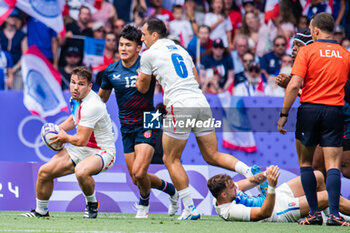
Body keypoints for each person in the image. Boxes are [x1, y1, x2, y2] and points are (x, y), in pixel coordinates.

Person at [136, 18, 255, 220]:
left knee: (170, 158)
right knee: (212, 154)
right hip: (200, 102)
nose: (142, 38)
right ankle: (249, 171)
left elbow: (142, 88)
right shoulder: (182, 51)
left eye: (144, 34)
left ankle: (190, 208)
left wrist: (141, 76)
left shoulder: (148, 55)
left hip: (179, 105)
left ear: (154, 35)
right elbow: (197, 80)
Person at [98, 25, 178, 218]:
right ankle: (171, 191)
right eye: (121, 45)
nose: (123, 48)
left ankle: (143, 204)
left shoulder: (148, 65)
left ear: (138, 48)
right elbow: (100, 100)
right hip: (126, 125)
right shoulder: (110, 72)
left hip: (149, 120)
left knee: (139, 171)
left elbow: (168, 82)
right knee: (136, 177)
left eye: (128, 45)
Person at [277, 13, 350, 226]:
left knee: (306, 164)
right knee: (333, 165)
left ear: (316, 30)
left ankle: (314, 214)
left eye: (310, 28)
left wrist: (283, 115)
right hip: (334, 112)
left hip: (309, 111)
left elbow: (293, 84)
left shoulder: (307, 51)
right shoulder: (345, 54)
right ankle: (335, 216)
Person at [19, 67, 116, 218]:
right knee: (44, 172)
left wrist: (64, 138)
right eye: (73, 82)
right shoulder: (76, 98)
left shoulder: (92, 105)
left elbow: (81, 140)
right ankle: (41, 212)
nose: (76, 87)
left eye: (81, 84)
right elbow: (73, 119)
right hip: (82, 148)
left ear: (90, 86)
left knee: (81, 171)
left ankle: (92, 204)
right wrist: (56, 130)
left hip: (102, 151)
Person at [208, 167, 350, 224]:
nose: (236, 187)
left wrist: (266, 174)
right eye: (232, 187)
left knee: (317, 176)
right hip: (279, 211)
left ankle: (333, 215)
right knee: (328, 197)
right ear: (223, 194)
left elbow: (251, 180)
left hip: (275, 196)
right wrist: (271, 186)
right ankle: (334, 213)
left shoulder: (224, 193)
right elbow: (264, 212)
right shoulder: (231, 211)